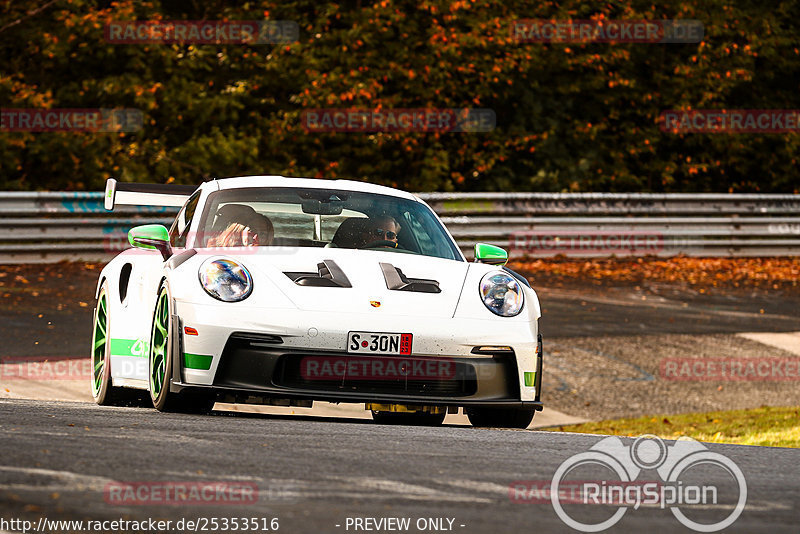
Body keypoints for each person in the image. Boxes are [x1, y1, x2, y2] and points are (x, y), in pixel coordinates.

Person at [208, 213, 274, 247]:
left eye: (262, 234)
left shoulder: (270, 257)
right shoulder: (216, 254)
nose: (256, 237)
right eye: (251, 231)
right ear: (238, 232)